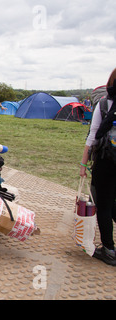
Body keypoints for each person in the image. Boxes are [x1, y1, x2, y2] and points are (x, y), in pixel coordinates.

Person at [80, 68, 116, 266]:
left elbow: (93, 135)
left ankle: (108, 250)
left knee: (104, 205)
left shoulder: (104, 104)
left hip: (106, 162)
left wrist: (83, 164)